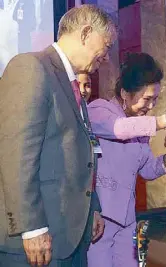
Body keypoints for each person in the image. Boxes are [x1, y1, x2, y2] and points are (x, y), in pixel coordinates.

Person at [0, 4, 117, 267]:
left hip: (70, 236)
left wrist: (92, 209)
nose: (107, 56)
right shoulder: (30, 67)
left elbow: (81, 151)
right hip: (38, 239)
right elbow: (16, 154)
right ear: (86, 33)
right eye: (106, 45)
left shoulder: (71, 82)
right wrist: (31, 228)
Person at [86, 52, 166, 267]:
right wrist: (165, 121)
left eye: (155, 100)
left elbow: (147, 169)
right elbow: (119, 129)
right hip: (99, 218)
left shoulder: (140, 128)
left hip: (127, 220)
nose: (151, 106)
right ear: (124, 93)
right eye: (147, 99)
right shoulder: (99, 110)